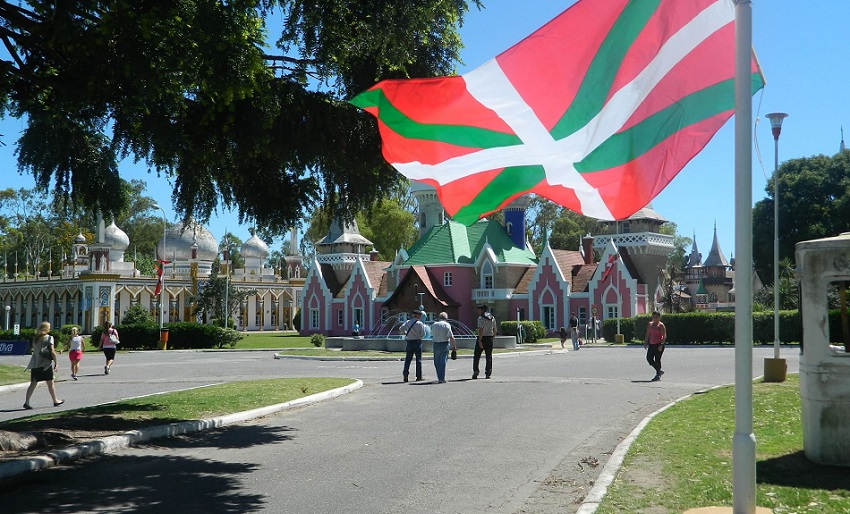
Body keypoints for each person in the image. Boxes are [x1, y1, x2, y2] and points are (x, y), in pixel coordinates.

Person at [23, 321, 64, 409]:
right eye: (49, 327)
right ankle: (55, 400)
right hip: (45, 364)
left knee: (33, 383)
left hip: (35, 363)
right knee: (50, 383)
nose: (50, 328)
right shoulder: (49, 338)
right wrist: (56, 362)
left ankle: (27, 401)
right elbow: (52, 351)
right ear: (46, 329)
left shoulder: (36, 338)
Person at [431, 312, 457, 384]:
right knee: (443, 361)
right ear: (446, 318)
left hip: (436, 344)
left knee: (437, 361)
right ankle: (441, 378)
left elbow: (432, 333)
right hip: (444, 344)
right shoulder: (447, 325)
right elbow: (451, 336)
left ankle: (439, 376)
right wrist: (454, 347)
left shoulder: (434, 324)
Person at [400, 310, 426, 382]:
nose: (421, 316)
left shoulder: (408, 322)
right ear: (417, 315)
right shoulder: (420, 324)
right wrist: (419, 336)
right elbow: (423, 334)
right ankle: (418, 376)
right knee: (418, 360)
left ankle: (405, 375)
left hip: (410, 342)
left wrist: (405, 334)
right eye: (420, 315)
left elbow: (401, 328)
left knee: (408, 360)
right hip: (417, 342)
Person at [474, 305, 497, 379]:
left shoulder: (481, 318)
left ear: (483, 310)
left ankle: (476, 371)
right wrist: (492, 338)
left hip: (482, 337)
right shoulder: (492, 318)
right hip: (489, 338)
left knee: (477, 356)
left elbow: (480, 330)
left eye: (479, 309)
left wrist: (480, 341)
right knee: (488, 356)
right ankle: (488, 373)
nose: (478, 311)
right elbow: (495, 329)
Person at [644, 311, 667, 381]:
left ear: (659, 318)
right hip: (652, 344)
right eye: (653, 317)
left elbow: (664, 336)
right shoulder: (650, 324)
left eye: (656, 317)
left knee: (657, 359)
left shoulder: (661, 325)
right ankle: (659, 371)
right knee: (649, 358)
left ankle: (658, 374)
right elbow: (648, 334)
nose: (655, 318)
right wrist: (645, 342)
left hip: (659, 345)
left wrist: (661, 344)